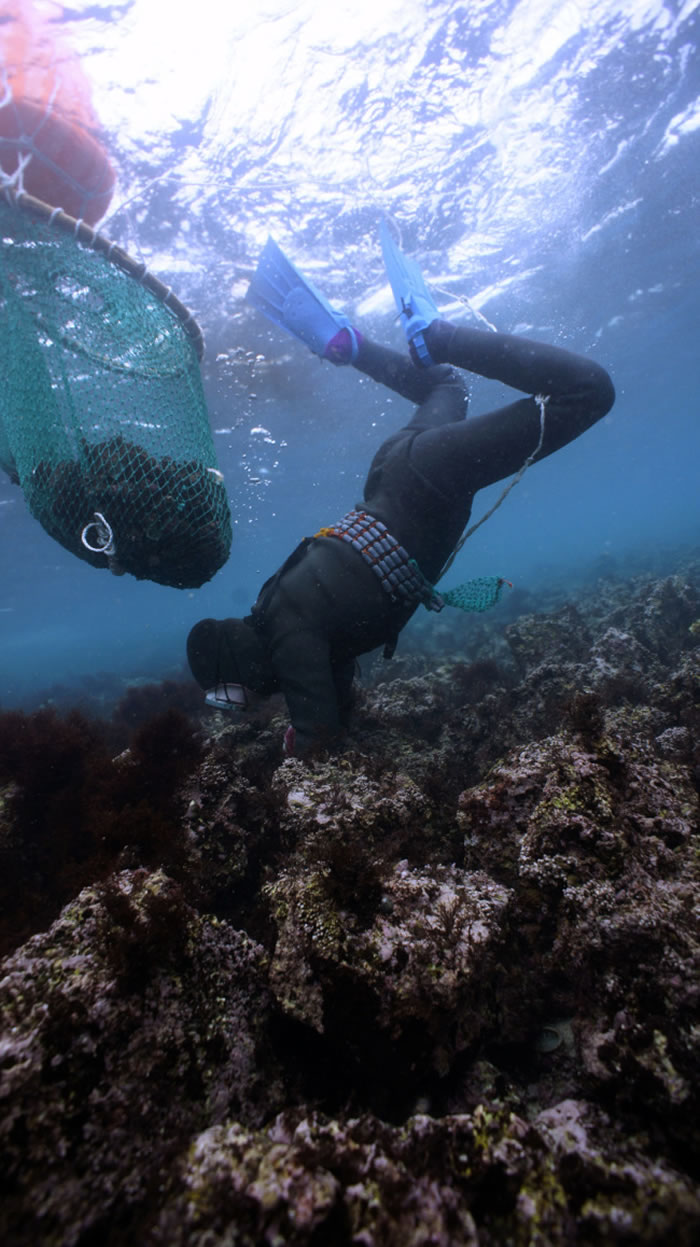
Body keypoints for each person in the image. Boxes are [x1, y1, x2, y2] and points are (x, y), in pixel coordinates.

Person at [187, 226, 615, 757]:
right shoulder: (280, 613)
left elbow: (319, 739)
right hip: (395, 470)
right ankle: (349, 345)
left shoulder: (288, 638)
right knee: (445, 385)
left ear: (237, 669)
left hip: (428, 482)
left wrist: (300, 750)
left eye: (231, 699)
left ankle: (439, 336)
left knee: (587, 391)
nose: (245, 706)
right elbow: (330, 681)